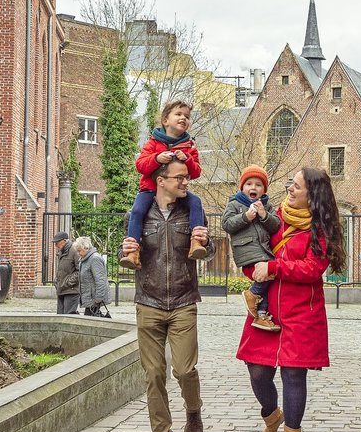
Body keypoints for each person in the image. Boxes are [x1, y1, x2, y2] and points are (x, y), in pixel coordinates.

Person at [236, 167, 346, 432]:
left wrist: (275, 268)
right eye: (289, 184)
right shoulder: (273, 217)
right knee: (257, 371)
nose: (290, 190)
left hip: (302, 313)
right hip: (266, 310)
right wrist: (255, 270)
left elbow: (312, 269)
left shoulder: (321, 228)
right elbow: (253, 251)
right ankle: (272, 416)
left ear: (313, 194)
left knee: (294, 376)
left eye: (296, 186)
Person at [120, 157, 215, 432]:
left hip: (184, 301)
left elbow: (209, 250)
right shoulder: (138, 214)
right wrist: (125, 250)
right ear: (161, 181)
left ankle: (193, 410)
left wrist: (206, 243)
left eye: (186, 177)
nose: (185, 182)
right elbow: (128, 250)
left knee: (185, 370)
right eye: (179, 178)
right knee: (153, 374)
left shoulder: (191, 212)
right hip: (148, 302)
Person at [120, 99, 206, 270]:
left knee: (196, 202)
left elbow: (196, 172)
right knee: (137, 211)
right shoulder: (152, 143)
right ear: (166, 120)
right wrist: (156, 158)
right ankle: (132, 251)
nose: (183, 118)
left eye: (187, 116)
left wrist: (187, 159)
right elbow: (140, 165)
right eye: (178, 114)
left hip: (177, 192)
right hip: (149, 189)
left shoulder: (189, 146)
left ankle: (196, 241)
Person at [222, 164, 282, 332]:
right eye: (249, 184)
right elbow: (226, 224)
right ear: (242, 187)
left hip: (263, 250)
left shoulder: (267, 207)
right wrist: (245, 217)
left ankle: (261, 314)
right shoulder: (234, 204)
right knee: (268, 273)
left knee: (268, 277)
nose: (253, 187)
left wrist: (264, 215)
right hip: (247, 249)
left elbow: (276, 226)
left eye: (258, 184)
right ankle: (252, 293)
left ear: (264, 189)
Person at [73, 236, 111, 316]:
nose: (78, 253)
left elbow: (100, 280)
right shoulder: (84, 260)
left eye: (79, 251)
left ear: (86, 248)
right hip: (90, 298)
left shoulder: (94, 259)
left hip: (94, 299)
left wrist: (98, 298)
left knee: (90, 320)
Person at [53, 231, 80, 314]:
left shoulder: (74, 251)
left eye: (57, 242)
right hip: (62, 289)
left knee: (68, 317)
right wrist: (57, 281)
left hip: (71, 290)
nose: (56, 245)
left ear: (64, 241)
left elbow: (80, 271)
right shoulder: (62, 252)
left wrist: (68, 282)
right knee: (60, 317)